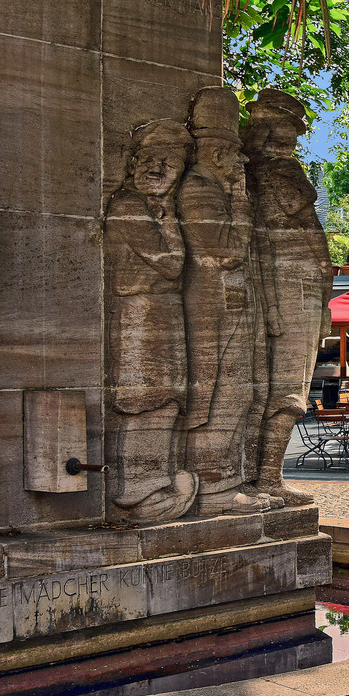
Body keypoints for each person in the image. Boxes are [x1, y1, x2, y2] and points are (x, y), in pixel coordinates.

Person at [180, 87, 272, 515]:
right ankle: (214, 489)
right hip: (215, 307)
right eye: (236, 155)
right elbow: (227, 252)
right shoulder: (199, 189)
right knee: (221, 396)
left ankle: (228, 481)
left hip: (234, 302)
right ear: (218, 153)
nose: (242, 163)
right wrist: (238, 199)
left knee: (239, 394)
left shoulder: (213, 185)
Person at [106, 119, 199, 523]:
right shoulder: (129, 206)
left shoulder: (157, 209)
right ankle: (137, 492)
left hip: (162, 312)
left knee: (167, 400)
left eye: (171, 163)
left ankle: (154, 484)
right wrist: (168, 221)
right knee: (145, 400)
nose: (159, 169)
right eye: (150, 159)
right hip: (140, 314)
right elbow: (172, 263)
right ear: (132, 164)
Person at [242, 89, 331, 506]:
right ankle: (265, 478)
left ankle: (267, 478)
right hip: (288, 291)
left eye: (294, 131)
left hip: (306, 293)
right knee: (285, 391)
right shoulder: (266, 175)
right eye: (284, 128)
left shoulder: (274, 172)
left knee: (291, 389)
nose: (292, 140)